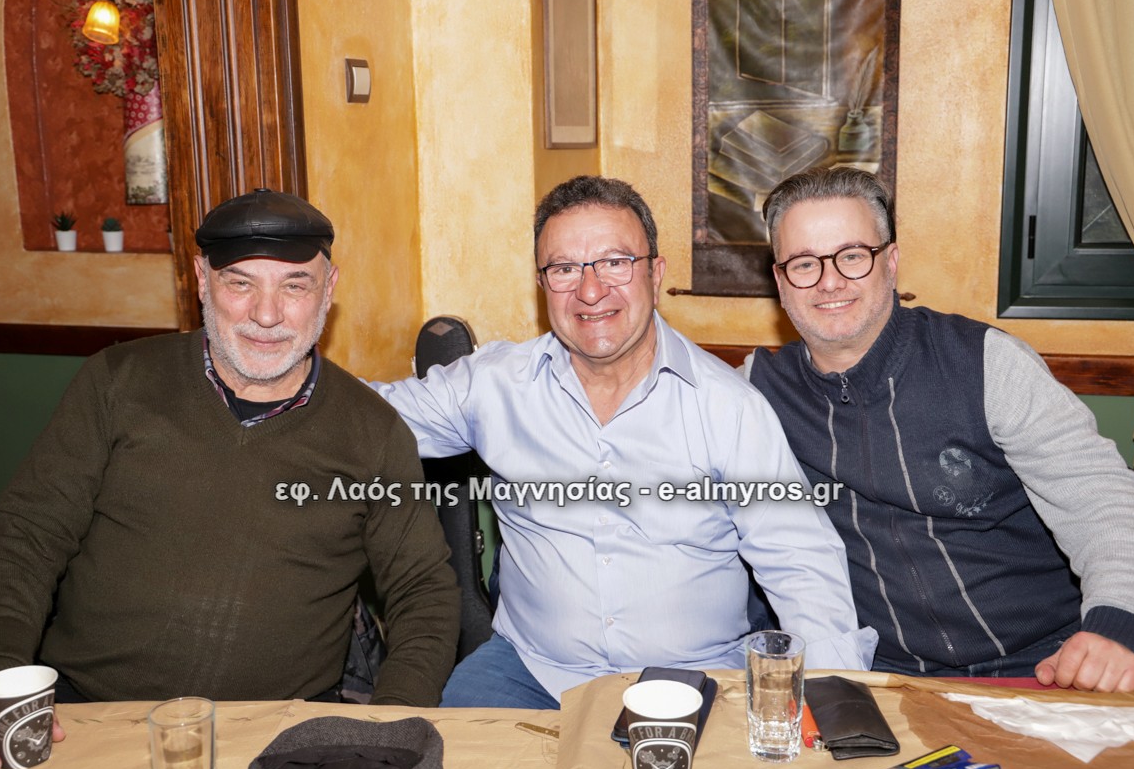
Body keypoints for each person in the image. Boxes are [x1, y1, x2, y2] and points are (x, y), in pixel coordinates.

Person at [0, 189, 460, 769]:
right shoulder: (116, 382)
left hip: (282, 735)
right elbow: (26, 538)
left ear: (329, 289)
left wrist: (390, 725)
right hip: (87, 716)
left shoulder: (373, 431)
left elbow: (424, 591)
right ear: (201, 279)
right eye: (240, 283)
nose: (267, 315)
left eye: (295, 286)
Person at [373, 175, 876, 709]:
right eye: (564, 269)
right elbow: (362, 422)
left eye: (615, 263)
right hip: (529, 670)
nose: (590, 291)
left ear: (655, 274)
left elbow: (799, 561)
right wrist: (300, 330)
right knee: (450, 747)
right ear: (542, 283)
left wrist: (838, 708)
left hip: (695, 677)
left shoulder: (729, 407)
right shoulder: (493, 386)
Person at [746, 166, 1134, 692]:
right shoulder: (755, 392)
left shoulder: (985, 363)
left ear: (890, 262)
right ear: (780, 282)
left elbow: (1100, 498)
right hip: (883, 678)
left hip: (1045, 664)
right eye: (804, 263)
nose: (830, 281)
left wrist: (1119, 623)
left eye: (852, 256)